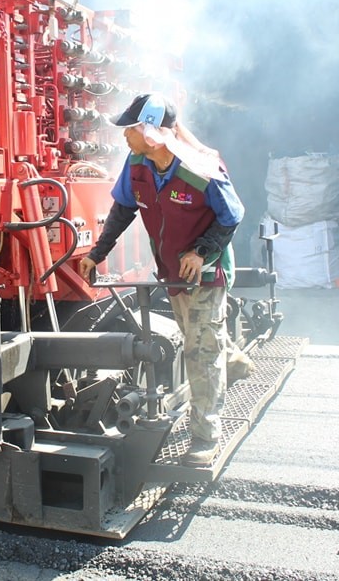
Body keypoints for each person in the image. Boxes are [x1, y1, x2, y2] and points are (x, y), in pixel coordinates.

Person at [78, 93, 250, 467]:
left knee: (199, 351)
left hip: (206, 272)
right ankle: (233, 360)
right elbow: (123, 209)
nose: (124, 136)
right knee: (197, 335)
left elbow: (232, 215)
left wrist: (200, 251)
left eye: (131, 129)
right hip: (172, 271)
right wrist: (97, 252)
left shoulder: (199, 169)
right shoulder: (138, 164)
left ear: (152, 132)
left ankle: (206, 437)